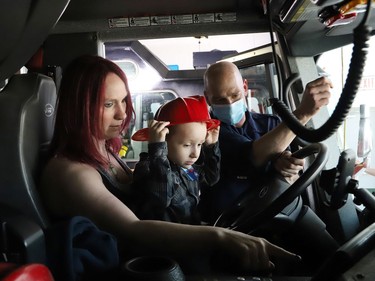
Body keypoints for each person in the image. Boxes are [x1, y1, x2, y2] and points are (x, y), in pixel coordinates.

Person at [39, 55, 300, 274]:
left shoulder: (105, 151)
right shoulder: (70, 171)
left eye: (123, 101)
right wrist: (219, 236)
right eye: (108, 104)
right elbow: (133, 230)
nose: (122, 113)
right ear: (79, 107)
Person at [199, 61, 333, 223]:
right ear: (207, 98)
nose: (229, 104)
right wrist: (302, 113)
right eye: (220, 100)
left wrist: (288, 167)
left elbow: (291, 172)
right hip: (232, 225)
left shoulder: (272, 124)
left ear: (245, 87)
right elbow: (251, 155)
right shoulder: (207, 134)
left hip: (276, 213)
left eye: (235, 95)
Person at [131, 95, 220, 224]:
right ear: (164, 140)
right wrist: (158, 150)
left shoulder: (187, 170)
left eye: (200, 144)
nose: (195, 154)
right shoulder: (148, 168)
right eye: (187, 145)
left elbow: (210, 179)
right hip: (168, 239)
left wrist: (211, 147)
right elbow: (161, 198)